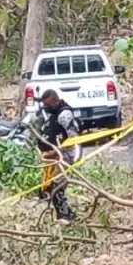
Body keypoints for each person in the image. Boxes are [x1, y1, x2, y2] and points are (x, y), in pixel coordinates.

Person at [34, 89, 79, 224]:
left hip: (64, 157)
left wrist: (54, 152)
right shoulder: (53, 114)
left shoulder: (64, 115)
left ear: (55, 101)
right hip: (53, 158)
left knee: (57, 187)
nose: (46, 108)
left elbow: (73, 139)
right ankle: (66, 213)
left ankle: (64, 216)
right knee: (48, 187)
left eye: (48, 105)